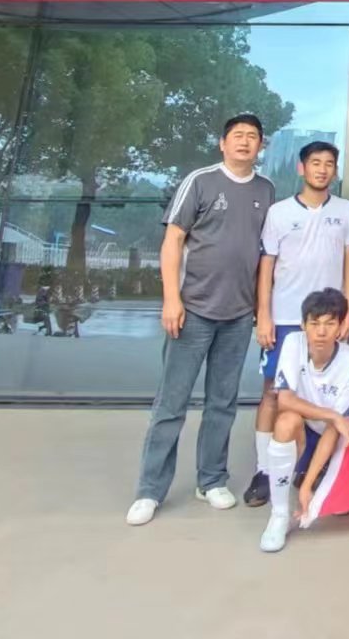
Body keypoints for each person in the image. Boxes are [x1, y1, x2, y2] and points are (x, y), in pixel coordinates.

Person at [127, 114, 274, 527]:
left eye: (252, 137)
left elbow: (266, 253)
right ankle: (150, 490)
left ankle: (211, 480)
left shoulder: (266, 189)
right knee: (171, 404)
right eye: (237, 136)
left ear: (261, 146)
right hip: (192, 310)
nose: (244, 142)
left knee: (222, 403)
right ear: (222, 143)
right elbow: (173, 240)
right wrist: (171, 299)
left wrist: (260, 309)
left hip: (238, 314)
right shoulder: (201, 181)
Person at [243, 141, 349, 508]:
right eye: (315, 163)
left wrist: (347, 312)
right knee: (272, 393)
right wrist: (264, 315)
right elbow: (266, 266)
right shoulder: (279, 212)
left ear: (335, 171)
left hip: (328, 319)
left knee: (322, 393)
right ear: (302, 168)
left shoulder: (347, 211)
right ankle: (264, 470)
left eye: (329, 164)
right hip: (285, 318)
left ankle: (312, 466)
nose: (322, 169)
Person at [260, 287, 349, 553]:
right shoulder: (292, 344)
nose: (321, 332)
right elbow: (285, 401)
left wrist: (306, 489)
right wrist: (333, 415)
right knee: (286, 421)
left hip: (333, 436)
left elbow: (334, 430)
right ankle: (279, 515)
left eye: (330, 324)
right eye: (314, 323)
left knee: (339, 502)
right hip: (307, 427)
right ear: (303, 325)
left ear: (340, 327)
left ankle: (317, 479)